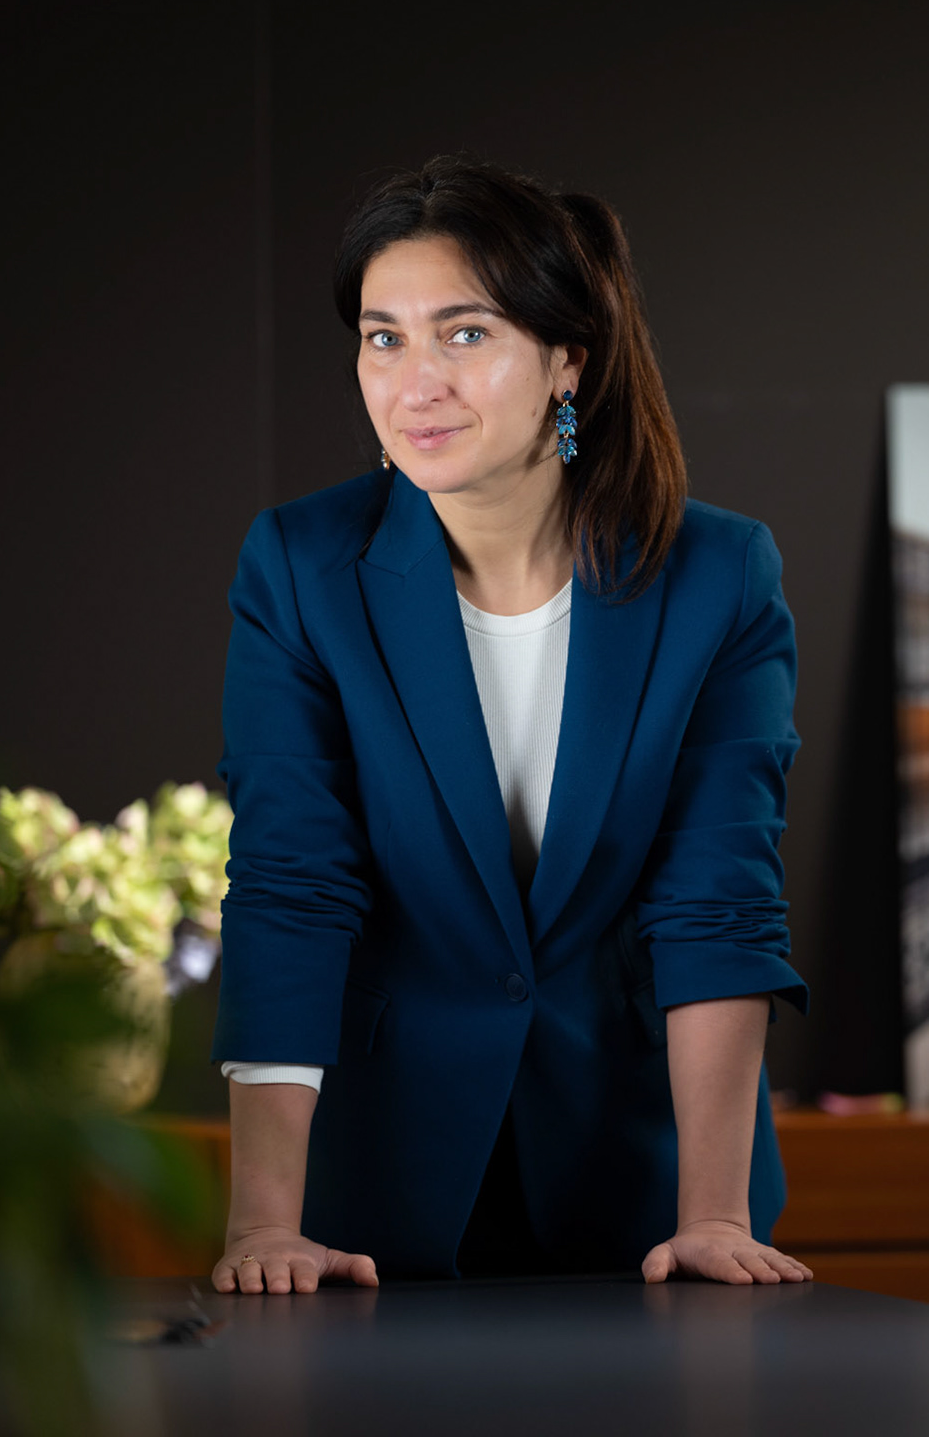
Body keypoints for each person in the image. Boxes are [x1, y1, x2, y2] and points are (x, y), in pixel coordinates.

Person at [206, 155, 812, 1293]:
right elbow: (293, 882)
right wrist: (261, 1225)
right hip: (373, 1200)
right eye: (383, 337)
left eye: (465, 334)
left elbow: (718, 896)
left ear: (566, 360)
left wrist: (714, 1212)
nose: (414, 380)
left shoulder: (718, 574)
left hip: (649, 1185)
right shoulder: (300, 567)